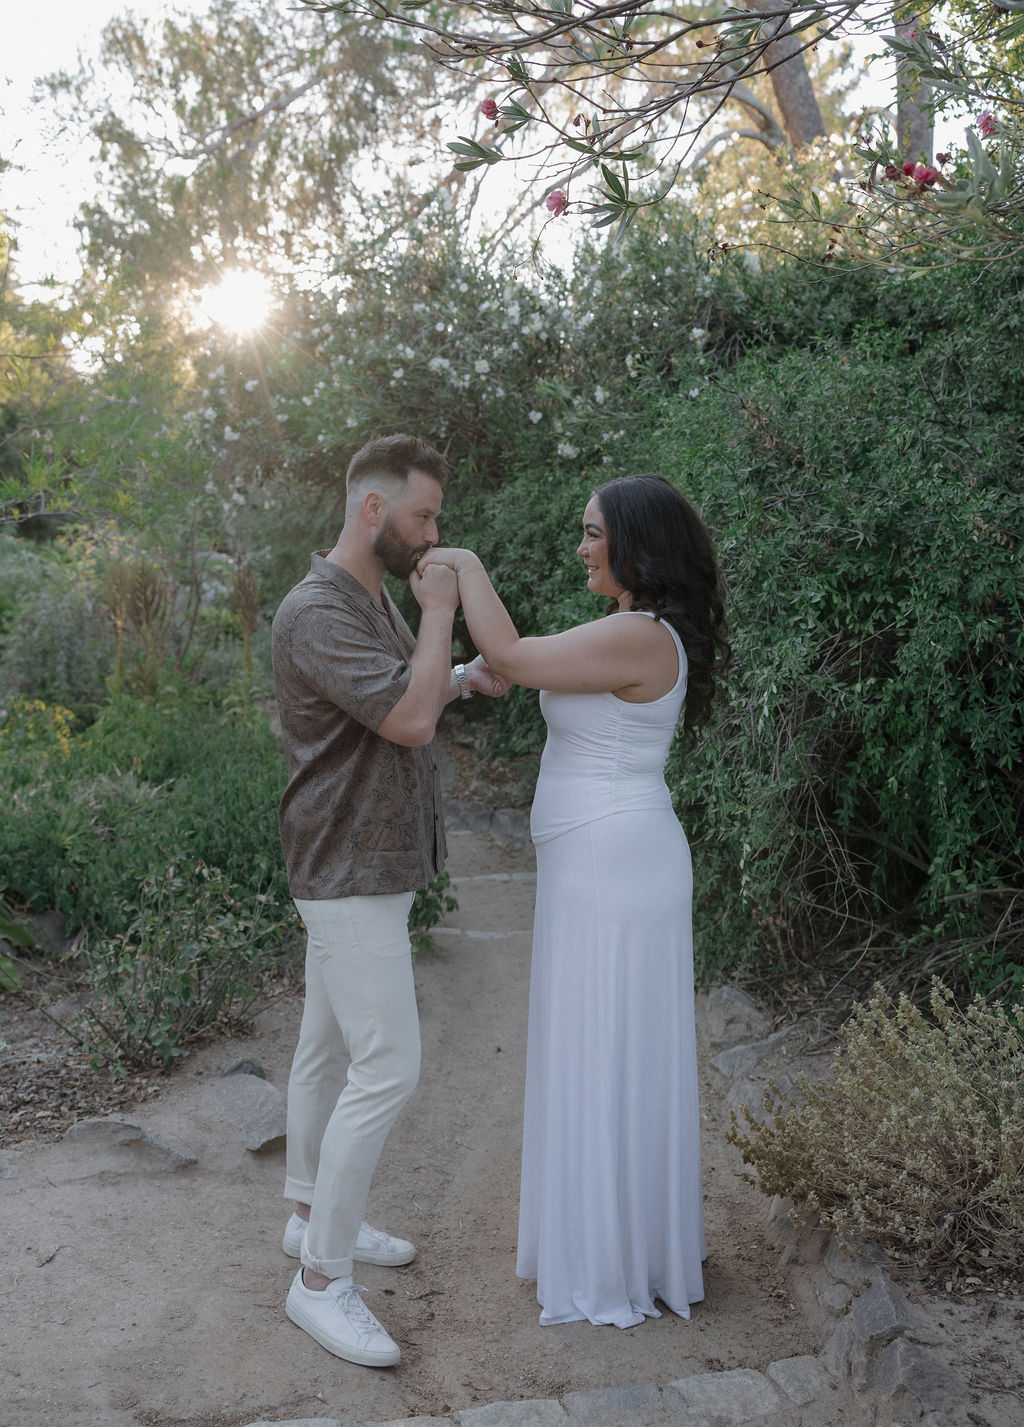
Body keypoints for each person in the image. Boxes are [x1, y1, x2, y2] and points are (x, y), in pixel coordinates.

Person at [420, 473, 729, 1329]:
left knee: (607, 1047)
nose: (582, 547)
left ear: (638, 544)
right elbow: (521, 666)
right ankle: (614, 1242)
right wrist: (486, 668)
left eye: (594, 532)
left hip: (614, 864)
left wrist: (467, 564)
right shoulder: (632, 630)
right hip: (596, 862)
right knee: (598, 1046)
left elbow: (517, 654)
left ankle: (612, 1261)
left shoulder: (640, 634)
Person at [271, 434, 509, 1367]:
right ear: (374, 509)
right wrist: (441, 613)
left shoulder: (368, 598)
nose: (434, 533)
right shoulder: (314, 611)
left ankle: (307, 1214)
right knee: (389, 1066)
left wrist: (460, 675)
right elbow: (407, 720)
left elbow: (403, 693)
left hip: (368, 866)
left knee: (324, 1048)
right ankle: (319, 1281)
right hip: (346, 870)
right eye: (423, 515)